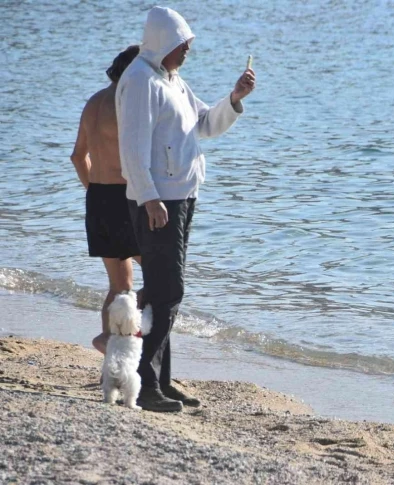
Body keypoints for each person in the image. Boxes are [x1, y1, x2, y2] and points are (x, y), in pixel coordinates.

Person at [116, 6, 255, 412]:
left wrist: (234, 98)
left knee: (164, 293)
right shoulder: (141, 80)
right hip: (158, 202)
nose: (188, 51)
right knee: (168, 289)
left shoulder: (172, 79)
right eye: (183, 45)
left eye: (189, 44)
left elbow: (206, 124)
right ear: (164, 43)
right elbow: (133, 147)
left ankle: (160, 378)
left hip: (181, 198)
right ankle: (143, 381)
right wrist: (149, 197)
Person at [70, 45, 142, 355]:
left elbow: (77, 157)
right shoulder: (127, 103)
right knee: (160, 273)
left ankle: (107, 339)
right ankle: (137, 339)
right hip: (122, 198)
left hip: (99, 197)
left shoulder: (93, 102)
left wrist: (94, 192)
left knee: (119, 284)